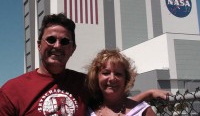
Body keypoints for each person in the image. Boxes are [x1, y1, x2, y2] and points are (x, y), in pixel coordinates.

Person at [0, 13, 170, 115]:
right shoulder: (12, 90)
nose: (57, 46)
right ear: (39, 45)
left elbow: (116, 104)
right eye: (51, 39)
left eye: (65, 41)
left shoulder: (85, 84)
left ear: (72, 49)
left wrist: (147, 94)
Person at [86, 49, 156, 116]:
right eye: (106, 73)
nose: (112, 78)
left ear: (126, 79)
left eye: (118, 74)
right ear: (96, 77)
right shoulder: (87, 111)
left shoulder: (143, 111)